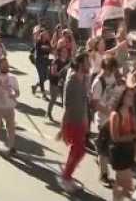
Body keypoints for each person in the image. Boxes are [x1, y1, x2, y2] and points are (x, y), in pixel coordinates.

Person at [58, 52, 91, 192]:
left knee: (80, 151)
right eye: (87, 62)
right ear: (80, 64)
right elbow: (67, 105)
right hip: (72, 122)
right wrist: (62, 128)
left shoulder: (83, 79)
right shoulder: (72, 81)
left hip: (81, 121)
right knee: (77, 150)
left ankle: (67, 175)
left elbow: (84, 102)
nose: (89, 65)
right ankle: (65, 177)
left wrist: (86, 120)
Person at [91, 56, 122, 187]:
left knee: (108, 147)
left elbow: (115, 93)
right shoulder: (98, 82)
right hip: (103, 119)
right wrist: (109, 112)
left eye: (114, 69)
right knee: (104, 150)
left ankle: (98, 150)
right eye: (112, 69)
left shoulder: (112, 77)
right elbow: (95, 104)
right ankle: (103, 176)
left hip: (112, 117)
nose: (113, 72)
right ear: (105, 68)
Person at [109, 86, 136, 201]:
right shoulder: (115, 115)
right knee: (124, 183)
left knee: (124, 183)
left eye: (132, 96)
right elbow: (115, 138)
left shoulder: (130, 113)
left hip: (128, 150)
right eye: (129, 96)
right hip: (119, 152)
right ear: (122, 98)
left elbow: (134, 131)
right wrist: (132, 136)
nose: (132, 99)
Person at [0, 58, 19, 155]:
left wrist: (13, 95)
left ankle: (11, 147)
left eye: (7, 64)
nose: (6, 66)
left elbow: (17, 92)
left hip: (10, 107)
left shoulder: (13, 78)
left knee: (11, 127)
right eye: (3, 65)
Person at [47, 48, 70, 121]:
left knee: (65, 100)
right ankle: (49, 112)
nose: (65, 53)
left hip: (63, 83)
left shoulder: (68, 61)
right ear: (60, 53)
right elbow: (53, 73)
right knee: (53, 98)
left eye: (66, 52)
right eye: (63, 52)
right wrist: (62, 72)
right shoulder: (55, 61)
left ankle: (66, 117)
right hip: (54, 82)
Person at [31, 29, 51, 99]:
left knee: (47, 76)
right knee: (41, 76)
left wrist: (46, 50)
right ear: (42, 35)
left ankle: (35, 86)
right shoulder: (38, 42)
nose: (47, 35)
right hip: (39, 61)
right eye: (45, 34)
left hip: (45, 61)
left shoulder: (48, 42)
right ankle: (43, 94)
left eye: (47, 34)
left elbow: (49, 51)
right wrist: (45, 50)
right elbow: (38, 52)